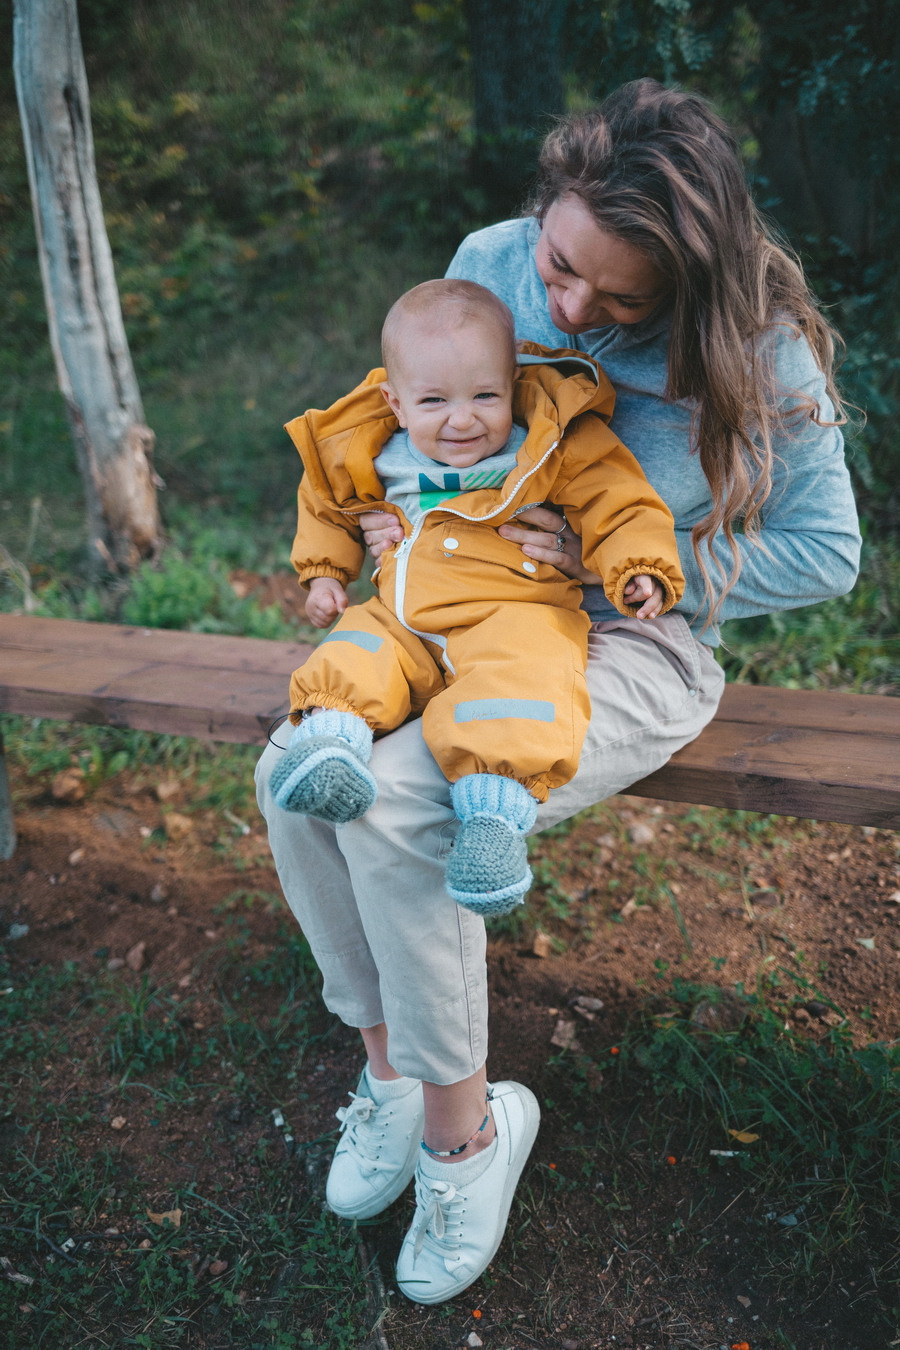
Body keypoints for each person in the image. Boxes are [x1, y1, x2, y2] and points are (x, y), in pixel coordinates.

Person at [255, 79, 860, 1307]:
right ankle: (390, 1072)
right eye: (558, 266)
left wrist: (623, 560)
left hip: (629, 641)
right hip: (449, 612)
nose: (566, 306)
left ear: (688, 288)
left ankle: (466, 1139)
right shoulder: (491, 259)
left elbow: (828, 553)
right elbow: (420, 410)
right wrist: (395, 505)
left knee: (399, 802)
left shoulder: (761, 352)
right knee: (293, 771)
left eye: (616, 298)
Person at [271, 278, 684, 917]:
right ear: (396, 402)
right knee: (355, 648)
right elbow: (325, 498)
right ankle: (334, 743)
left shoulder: (549, 441)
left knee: (524, 681)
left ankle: (491, 824)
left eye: (485, 395)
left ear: (512, 385)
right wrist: (326, 571)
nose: (462, 419)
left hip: (514, 611)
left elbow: (619, 497)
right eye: (434, 400)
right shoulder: (372, 447)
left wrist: (637, 564)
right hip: (402, 616)